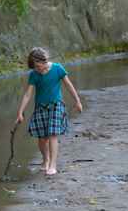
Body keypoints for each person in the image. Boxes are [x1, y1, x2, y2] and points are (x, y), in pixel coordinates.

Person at [13, 47, 83, 175]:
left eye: (39, 66)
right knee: (42, 138)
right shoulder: (34, 75)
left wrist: (77, 101)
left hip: (56, 105)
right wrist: (20, 112)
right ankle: (46, 160)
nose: (39, 69)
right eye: (36, 68)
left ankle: (53, 165)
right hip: (40, 107)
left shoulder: (57, 68)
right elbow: (28, 94)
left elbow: (69, 85)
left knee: (52, 135)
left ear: (45, 61)